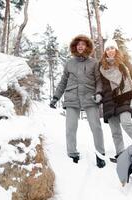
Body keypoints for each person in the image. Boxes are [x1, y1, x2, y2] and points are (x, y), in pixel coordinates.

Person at [50, 35, 106, 168]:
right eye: (78, 44)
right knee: (70, 127)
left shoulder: (94, 63)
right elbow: (63, 81)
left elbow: (99, 81)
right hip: (72, 97)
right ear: (75, 47)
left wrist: (98, 93)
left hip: (89, 97)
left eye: (83, 44)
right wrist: (56, 97)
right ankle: (72, 153)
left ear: (87, 47)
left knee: (96, 127)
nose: (80, 46)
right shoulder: (69, 63)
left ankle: (100, 154)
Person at [99, 39, 132, 160]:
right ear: (105, 52)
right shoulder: (101, 67)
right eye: (107, 49)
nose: (110, 51)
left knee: (126, 123)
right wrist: (98, 95)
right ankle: (121, 154)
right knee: (115, 132)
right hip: (109, 101)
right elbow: (99, 84)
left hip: (124, 98)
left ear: (116, 49)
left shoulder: (126, 64)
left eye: (112, 48)